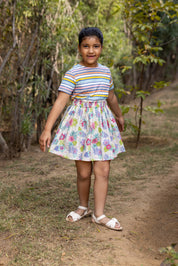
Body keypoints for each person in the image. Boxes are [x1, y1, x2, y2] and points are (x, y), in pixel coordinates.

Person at [39, 27, 125, 231]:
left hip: (102, 128)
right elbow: (61, 102)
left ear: (101, 48)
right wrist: (47, 129)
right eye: (86, 46)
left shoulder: (105, 72)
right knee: (84, 172)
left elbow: (110, 97)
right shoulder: (73, 73)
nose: (91, 50)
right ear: (79, 48)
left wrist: (119, 115)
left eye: (95, 46)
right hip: (81, 129)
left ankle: (99, 214)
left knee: (103, 170)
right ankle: (83, 207)